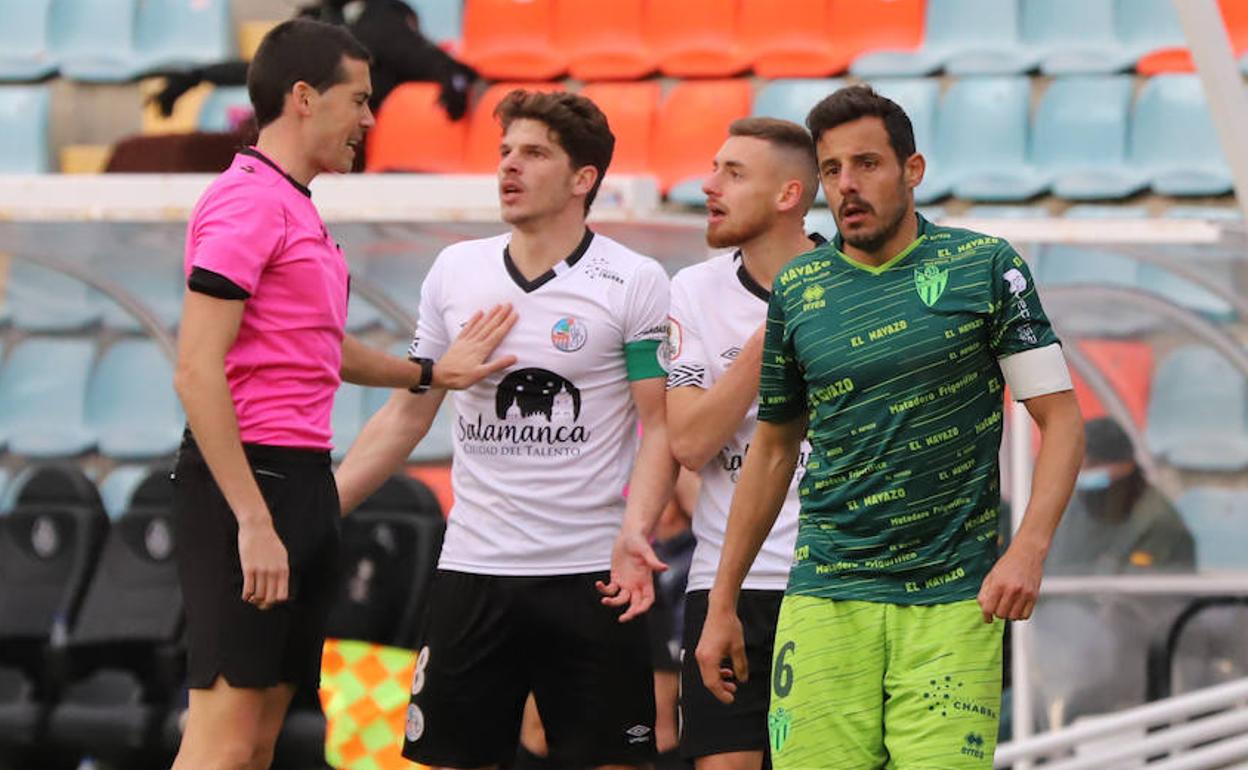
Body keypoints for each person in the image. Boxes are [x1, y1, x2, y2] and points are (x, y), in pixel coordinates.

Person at [695, 85, 1085, 769]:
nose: (847, 184)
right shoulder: (800, 288)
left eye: (867, 164)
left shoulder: (986, 268)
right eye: (832, 169)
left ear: (913, 170)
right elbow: (774, 450)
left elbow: (1062, 422)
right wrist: (722, 600)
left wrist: (1028, 550)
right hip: (823, 597)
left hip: (953, 601)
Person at [170, 20, 513, 770]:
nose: (369, 118)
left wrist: (431, 374)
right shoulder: (248, 202)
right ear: (302, 98)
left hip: (297, 482)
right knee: (222, 744)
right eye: (358, 100)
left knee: (260, 736)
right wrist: (253, 520)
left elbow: (314, 344)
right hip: (248, 486)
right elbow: (196, 369)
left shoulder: (295, 206)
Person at [335, 89, 679, 770]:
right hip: (476, 569)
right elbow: (409, 409)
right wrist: (322, 509)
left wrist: (635, 531)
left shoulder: (633, 281)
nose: (508, 167)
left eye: (533, 153)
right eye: (504, 152)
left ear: (583, 179)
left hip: (589, 574)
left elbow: (659, 426)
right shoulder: (455, 271)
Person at [665, 117, 822, 770]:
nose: (709, 186)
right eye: (713, 168)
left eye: (733, 173)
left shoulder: (857, 287)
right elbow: (692, 442)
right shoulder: (694, 291)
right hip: (726, 584)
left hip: (831, 582)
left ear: (788, 195)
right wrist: (770, 339)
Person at [1048, 417, 1194, 575]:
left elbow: (1142, 590)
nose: (1084, 473)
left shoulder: (1157, 521)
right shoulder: (1071, 506)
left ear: (1126, 464)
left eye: (1094, 465)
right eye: (1078, 465)